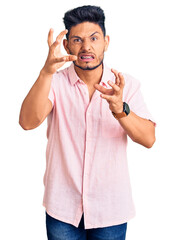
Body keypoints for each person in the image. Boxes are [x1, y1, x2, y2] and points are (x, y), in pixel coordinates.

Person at [19, 5, 156, 240]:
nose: (86, 47)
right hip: (62, 209)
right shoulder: (55, 83)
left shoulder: (126, 85)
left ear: (106, 42)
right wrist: (45, 72)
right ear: (66, 45)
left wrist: (121, 110)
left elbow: (149, 139)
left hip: (110, 210)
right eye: (77, 40)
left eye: (94, 38)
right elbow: (27, 122)